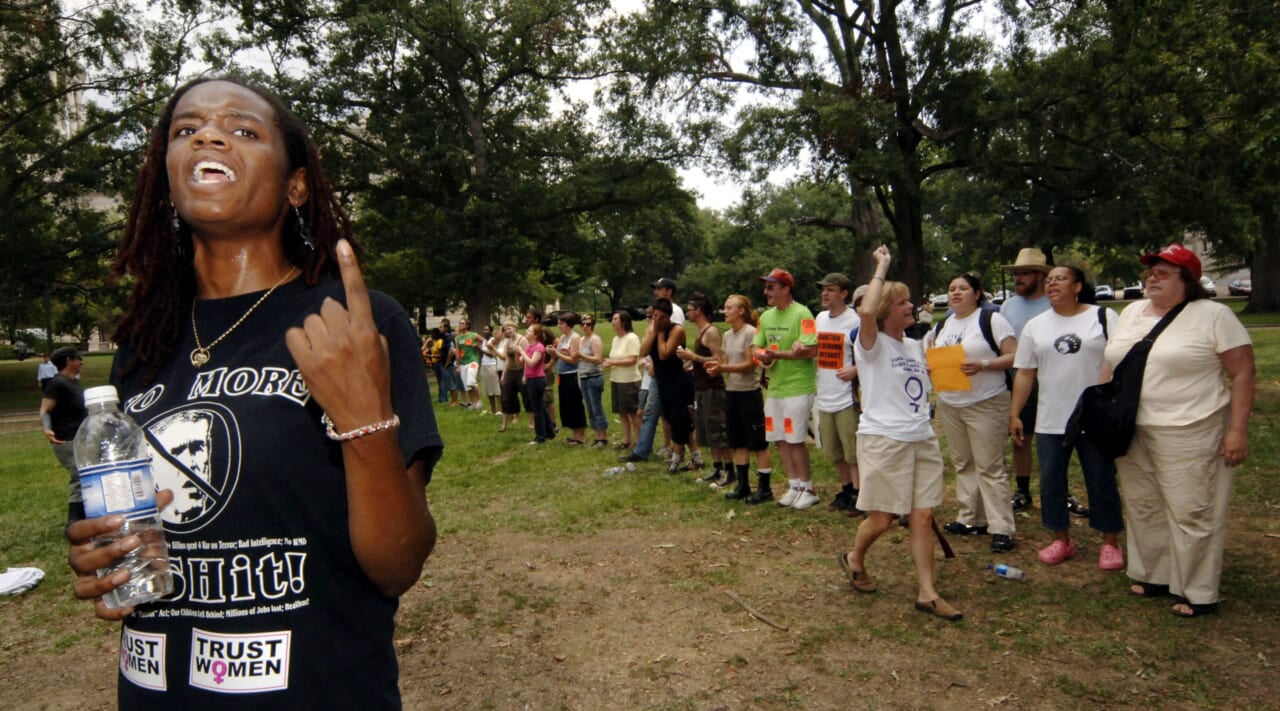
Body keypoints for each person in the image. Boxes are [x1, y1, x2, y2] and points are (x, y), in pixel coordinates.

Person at [65, 78, 440, 706]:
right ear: (166, 177)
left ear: (296, 184)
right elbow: (106, 527)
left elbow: (398, 564)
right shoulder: (143, 342)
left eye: (243, 130)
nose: (208, 136)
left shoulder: (353, 322)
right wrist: (96, 548)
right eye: (186, 131)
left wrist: (364, 419)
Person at [1104, 244, 1254, 618]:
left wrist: (1237, 431)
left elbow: (1243, 372)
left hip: (1190, 426)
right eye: (1150, 272)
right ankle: (1153, 574)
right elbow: (1111, 364)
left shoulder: (1214, 316)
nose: (1152, 278)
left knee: (1192, 509)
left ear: (1187, 281)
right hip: (1133, 426)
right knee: (1143, 503)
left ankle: (1198, 590)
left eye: (1163, 273)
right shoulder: (1132, 312)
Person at [838, 245, 960, 621]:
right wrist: (883, 266)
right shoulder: (870, 344)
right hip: (883, 439)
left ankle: (927, 593)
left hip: (920, 437)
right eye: (904, 302)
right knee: (883, 520)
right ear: (887, 309)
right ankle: (854, 557)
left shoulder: (915, 345)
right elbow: (865, 311)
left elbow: (929, 387)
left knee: (922, 516)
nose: (912, 307)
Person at [1010, 266, 1125, 570]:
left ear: (1077, 286)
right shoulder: (1036, 326)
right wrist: (1015, 413)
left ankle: (1110, 542)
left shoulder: (1103, 318)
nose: (1051, 284)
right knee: (1051, 481)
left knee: (1101, 479)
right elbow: (1024, 372)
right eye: (1048, 281)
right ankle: (1061, 538)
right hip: (1051, 417)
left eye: (1059, 279)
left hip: (1094, 417)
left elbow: (1119, 360)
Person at [927, 273, 1019, 553]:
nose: (956, 293)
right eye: (951, 288)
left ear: (977, 293)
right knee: (963, 462)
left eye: (963, 288)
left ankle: (1001, 527)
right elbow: (931, 355)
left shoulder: (991, 320)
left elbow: (1015, 356)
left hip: (986, 401)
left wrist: (983, 365)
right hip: (951, 402)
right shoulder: (942, 324)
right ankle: (970, 517)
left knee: (990, 466)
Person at [752, 268, 819, 506]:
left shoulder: (803, 314)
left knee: (795, 439)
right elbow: (756, 348)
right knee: (779, 438)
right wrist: (765, 358)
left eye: (771, 287)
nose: (766, 291)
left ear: (786, 288)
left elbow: (811, 349)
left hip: (798, 387)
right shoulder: (766, 317)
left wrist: (777, 354)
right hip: (775, 388)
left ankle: (808, 489)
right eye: (766, 287)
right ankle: (794, 485)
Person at [999, 248, 1053, 513]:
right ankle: (1022, 490)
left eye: (1023, 274)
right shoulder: (1008, 305)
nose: (1017, 279)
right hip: (1019, 377)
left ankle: (1060, 490)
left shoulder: (1054, 302)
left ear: (1040, 276)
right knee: (1021, 435)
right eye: (1016, 274)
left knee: (1057, 437)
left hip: (1052, 377)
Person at [706, 294, 773, 501]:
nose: (724, 312)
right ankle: (743, 485)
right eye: (724, 308)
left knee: (758, 442)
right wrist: (712, 364)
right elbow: (725, 360)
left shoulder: (750, 333)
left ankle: (765, 487)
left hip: (749, 393)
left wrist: (723, 367)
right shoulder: (727, 335)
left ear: (741, 311)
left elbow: (749, 364)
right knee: (737, 442)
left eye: (729, 308)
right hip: (732, 392)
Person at [813, 273, 862, 514]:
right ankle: (845, 488)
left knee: (852, 450)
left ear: (844, 293)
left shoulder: (855, 320)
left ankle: (860, 493)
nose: (824, 294)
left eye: (830, 290)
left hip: (847, 396)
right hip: (825, 392)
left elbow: (871, 353)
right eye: (823, 289)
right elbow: (816, 348)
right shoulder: (820, 318)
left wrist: (856, 369)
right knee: (833, 450)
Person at [677, 293, 730, 485]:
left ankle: (729, 469)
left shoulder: (711, 332)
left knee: (718, 430)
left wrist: (694, 358)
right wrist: (692, 364)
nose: (687, 313)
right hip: (699, 386)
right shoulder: (700, 332)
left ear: (698, 311)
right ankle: (716, 467)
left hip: (712, 389)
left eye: (689, 309)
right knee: (707, 430)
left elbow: (719, 361)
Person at [644, 298, 694, 472]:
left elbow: (664, 353)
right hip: (661, 380)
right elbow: (643, 351)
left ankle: (676, 458)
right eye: (654, 316)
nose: (657, 320)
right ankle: (695, 455)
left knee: (680, 418)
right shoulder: (653, 328)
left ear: (669, 317)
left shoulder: (676, 330)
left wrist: (659, 334)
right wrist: (652, 331)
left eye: (661, 317)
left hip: (677, 380)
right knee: (671, 418)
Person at [39, 346, 86, 523]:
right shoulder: (57, 383)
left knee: (85, 476)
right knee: (79, 477)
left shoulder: (73, 382)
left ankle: (85, 518)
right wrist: (47, 429)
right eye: (78, 358)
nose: (81, 361)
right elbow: (45, 410)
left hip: (79, 438)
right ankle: (73, 523)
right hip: (65, 440)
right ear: (68, 360)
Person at [603, 311, 642, 450]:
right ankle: (626, 440)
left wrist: (612, 362)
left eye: (615, 319)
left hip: (629, 381)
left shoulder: (632, 338)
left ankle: (639, 442)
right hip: (616, 379)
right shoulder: (615, 339)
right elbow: (616, 358)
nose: (612, 321)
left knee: (633, 412)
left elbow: (632, 360)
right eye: (612, 319)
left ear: (623, 321)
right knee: (622, 412)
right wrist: (610, 362)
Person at [516, 322, 556, 444]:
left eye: (529, 331)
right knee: (541, 407)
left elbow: (532, 362)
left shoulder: (539, 347)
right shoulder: (529, 346)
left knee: (537, 409)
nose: (526, 333)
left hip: (537, 380)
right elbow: (524, 362)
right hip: (531, 379)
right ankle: (549, 431)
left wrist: (521, 352)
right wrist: (524, 375)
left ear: (536, 335)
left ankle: (540, 437)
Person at [553, 312, 588, 445]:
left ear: (569, 324)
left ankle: (581, 435)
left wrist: (556, 353)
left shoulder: (575, 337)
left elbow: (574, 360)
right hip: (562, 375)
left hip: (572, 375)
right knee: (566, 404)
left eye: (561, 323)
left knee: (575, 404)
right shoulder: (562, 337)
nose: (559, 326)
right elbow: (564, 354)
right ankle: (574, 433)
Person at [576, 314, 609, 447]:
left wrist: (581, 355)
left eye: (588, 324)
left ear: (592, 325)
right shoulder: (582, 339)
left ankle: (603, 437)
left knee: (596, 407)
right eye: (583, 324)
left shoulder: (595, 340)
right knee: (590, 408)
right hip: (583, 377)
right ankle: (597, 435)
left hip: (594, 377)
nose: (585, 326)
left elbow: (598, 359)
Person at [496, 322, 526, 432]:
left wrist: (525, 374)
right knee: (506, 397)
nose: (508, 331)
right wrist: (504, 374)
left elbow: (527, 356)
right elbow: (507, 359)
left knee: (526, 396)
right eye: (505, 329)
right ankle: (504, 425)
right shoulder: (507, 342)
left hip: (521, 370)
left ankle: (532, 422)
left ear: (515, 328)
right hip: (510, 371)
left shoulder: (522, 340)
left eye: (509, 328)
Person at [454, 318, 483, 409]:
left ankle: (479, 400)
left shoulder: (473, 335)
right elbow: (458, 352)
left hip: (473, 361)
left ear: (467, 325)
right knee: (467, 385)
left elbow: (484, 342)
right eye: (459, 323)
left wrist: (478, 346)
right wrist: (458, 366)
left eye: (462, 323)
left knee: (471, 381)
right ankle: (473, 404)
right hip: (463, 363)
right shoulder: (457, 338)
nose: (460, 325)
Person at [478, 325, 502, 415]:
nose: (485, 331)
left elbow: (492, 354)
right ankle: (493, 409)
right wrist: (479, 350)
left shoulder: (493, 340)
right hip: (484, 364)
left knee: (496, 388)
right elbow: (483, 355)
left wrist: (481, 350)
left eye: (487, 329)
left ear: (491, 331)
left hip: (492, 365)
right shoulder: (484, 341)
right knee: (488, 388)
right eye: (484, 329)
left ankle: (500, 408)